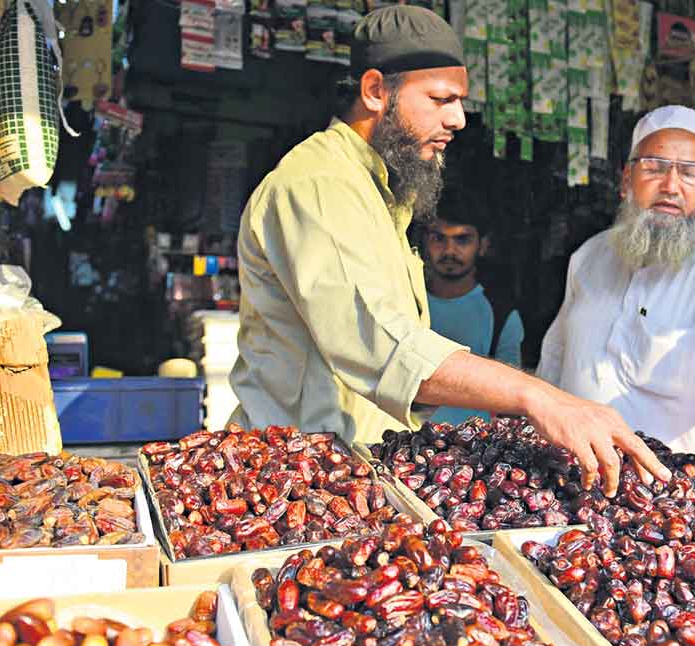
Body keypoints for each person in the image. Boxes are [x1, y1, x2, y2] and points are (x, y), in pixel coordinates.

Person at [229, 5, 670, 496]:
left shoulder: (378, 193)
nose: (458, 119)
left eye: (459, 101)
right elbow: (383, 347)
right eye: (440, 99)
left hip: (348, 478)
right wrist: (538, 397)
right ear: (376, 91)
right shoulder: (318, 187)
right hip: (290, 484)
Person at [537, 105, 695, 458]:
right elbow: (557, 356)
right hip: (571, 477)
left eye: (689, 173)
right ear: (626, 180)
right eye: (654, 168)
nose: (671, 186)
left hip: (665, 493)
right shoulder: (589, 258)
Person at [422, 207, 524, 424]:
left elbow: (510, 397)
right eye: (439, 238)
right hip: (398, 446)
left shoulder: (502, 314)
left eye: (462, 240)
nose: (449, 250)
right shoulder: (405, 301)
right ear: (425, 241)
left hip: (473, 450)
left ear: (483, 245)